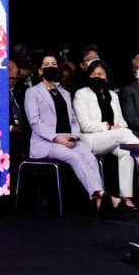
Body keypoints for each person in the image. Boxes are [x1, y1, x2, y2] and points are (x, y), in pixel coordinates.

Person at [24, 53, 119, 212]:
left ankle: (98, 201)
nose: (51, 67)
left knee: (89, 157)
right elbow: (35, 122)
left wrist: (74, 135)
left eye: (53, 64)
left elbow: (74, 119)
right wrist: (57, 138)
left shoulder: (65, 93)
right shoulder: (32, 92)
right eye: (46, 64)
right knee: (73, 156)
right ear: (40, 70)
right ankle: (100, 194)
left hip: (69, 137)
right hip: (46, 141)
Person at [73, 59, 139, 210]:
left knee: (127, 151)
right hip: (92, 140)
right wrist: (109, 127)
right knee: (125, 134)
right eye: (93, 74)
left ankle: (126, 198)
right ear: (88, 76)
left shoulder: (113, 95)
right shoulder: (82, 94)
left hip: (112, 139)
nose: (97, 77)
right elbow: (85, 125)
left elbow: (122, 123)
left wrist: (117, 128)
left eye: (100, 74)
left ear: (107, 77)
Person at [8, 58, 29, 161]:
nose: (12, 82)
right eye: (9, 78)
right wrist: (12, 128)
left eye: (14, 78)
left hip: (24, 134)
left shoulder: (21, 90)